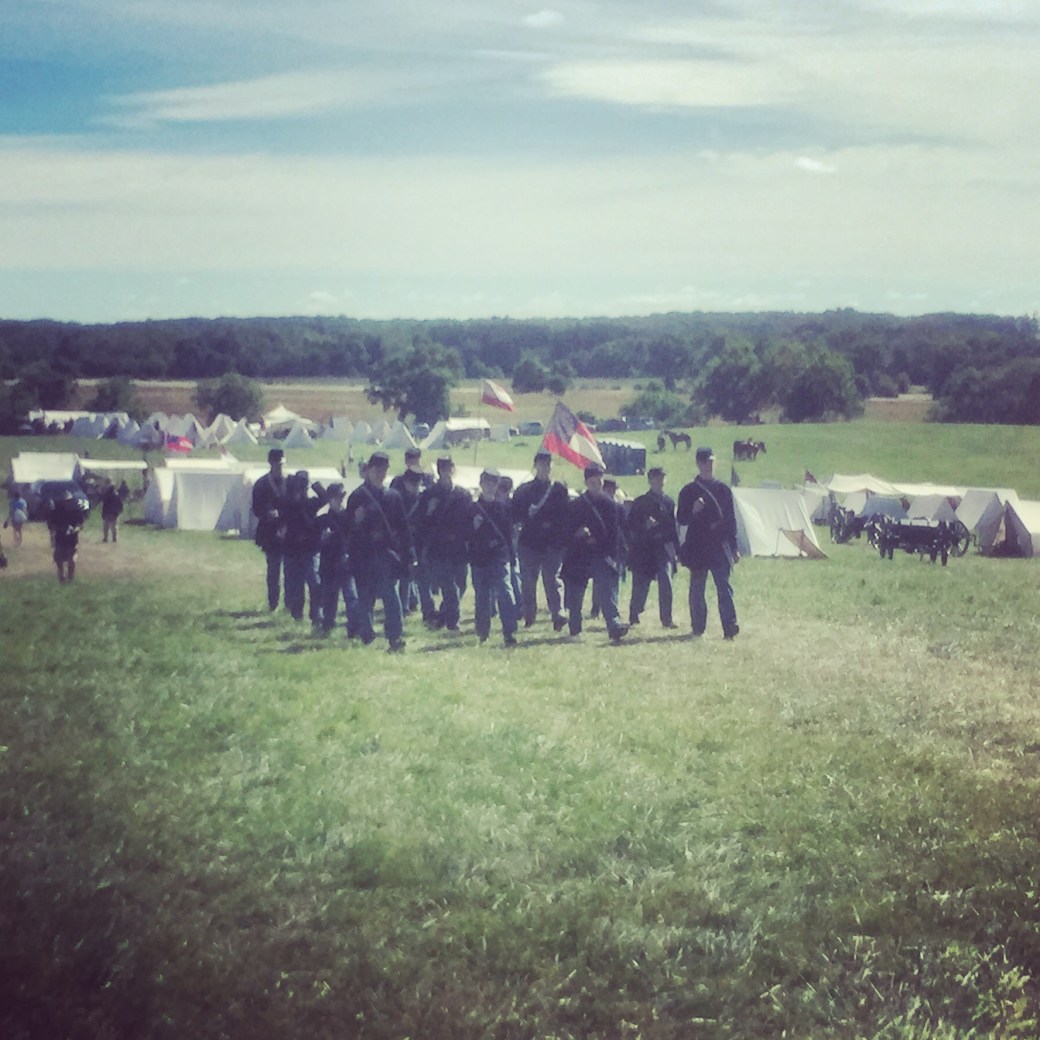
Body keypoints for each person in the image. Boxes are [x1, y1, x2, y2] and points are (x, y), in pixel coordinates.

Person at [344, 451, 413, 652]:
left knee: (391, 596)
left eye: (383, 470)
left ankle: (395, 637)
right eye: (377, 469)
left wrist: (409, 554)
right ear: (369, 470)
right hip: (363, 554)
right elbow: (347, 530)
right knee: (365, 597)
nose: (380, 474)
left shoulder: (393, 496)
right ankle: (367, 634)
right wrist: (356, 521)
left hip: (385, 554)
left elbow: (403, 528)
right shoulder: (357, 496)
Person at [560, 463, 629, 643]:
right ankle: (575, 627)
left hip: (601, 554)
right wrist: (578, 535)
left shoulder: (610, 505)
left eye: (599, 481)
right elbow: (566, 532)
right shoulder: (575, 505)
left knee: (607, 592)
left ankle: (614, 625)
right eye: (592, 481)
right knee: (576, 594)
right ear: (586, 482)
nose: (596, 484)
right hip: (579, 555)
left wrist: (610, 555)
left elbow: (613, 533)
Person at [677, 446, 740, 639]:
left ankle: (730, 626)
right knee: (697, 589)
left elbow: (730, 520)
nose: (708, 465)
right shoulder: (688, 491)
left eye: (711, 461)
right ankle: (698, 627)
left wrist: (734, 547)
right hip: (697, 545)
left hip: (719, 544)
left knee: (724, 586)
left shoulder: (723, 490)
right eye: (705, 462)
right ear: (698, 464)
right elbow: (681, 519)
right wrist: (693, 510)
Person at [511, 449, 569, 631]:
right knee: (528, 582)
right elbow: (515, 516)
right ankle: (529, 615)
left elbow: (565, 516)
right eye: (542, 464)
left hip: (552, 543)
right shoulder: (524, 491)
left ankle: (558, 613)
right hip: (530, 543)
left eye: (548, 464)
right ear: (535, 466)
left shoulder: (559, 490)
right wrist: (526, 515)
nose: (546, 467)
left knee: (553, 580)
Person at [417, 456, 472, 632]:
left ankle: (441, 616)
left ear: (453, 470)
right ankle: (453, 622)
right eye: (442, 469)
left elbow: (469, 520)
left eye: (448, 468)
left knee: (461, 584)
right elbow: (420, 522)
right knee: (449, 587)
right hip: (439, 548)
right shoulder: (429, 495)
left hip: (459, 547)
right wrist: (429, 511)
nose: (446, 472)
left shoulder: (463, 494)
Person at [468, 468, 518, 646]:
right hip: (479, 557)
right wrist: (473, 527)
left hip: (499, 556)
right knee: (482, 597)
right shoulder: (472, 508)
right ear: (481, 483)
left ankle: (510, 632)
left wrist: (511, 557)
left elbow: (509, 535)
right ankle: (482, 633)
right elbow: (465, 534)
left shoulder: (504, 508)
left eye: (493, 483)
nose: (490, 486)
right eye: (487, 482)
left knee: (505, 593)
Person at [627, 467, 679, 629]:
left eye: (662, 478)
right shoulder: (641, 501)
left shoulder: (669, 502)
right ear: (650, 481)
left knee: (666, 581)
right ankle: (634, 613)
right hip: (644, 548)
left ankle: (667, 619)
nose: (659, 482)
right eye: (656, 478)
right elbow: (631, 525)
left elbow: (673, 527)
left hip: (663, 547)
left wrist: (676, 550)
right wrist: (645, 525)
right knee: (641, 584)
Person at [315, 482, 361, 637]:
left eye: (341, 496)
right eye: (336, 497)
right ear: (329, 499)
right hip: (329, 562)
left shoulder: (349, 517)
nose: (339, 500)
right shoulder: (323, 519)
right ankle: (328, 625)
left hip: (346, 561)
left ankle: (353, 629)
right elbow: (315, 542)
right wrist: (322, 538)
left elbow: (355, 537)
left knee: (351, 596)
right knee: (330, 597)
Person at [280, 470, 322, 624]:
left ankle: (316, 614)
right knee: (296, 584)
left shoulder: (310, 504)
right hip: (293, 548)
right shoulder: (288, 504)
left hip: (309, 547)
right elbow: (277, 504)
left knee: (315, 583)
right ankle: (297, 614)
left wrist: (314, 485)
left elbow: (325, 497)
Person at [251, 448, 288, 611]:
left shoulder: (290, 482)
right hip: (270, 531)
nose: (280, 467)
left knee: (290, 570)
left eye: (282, 464)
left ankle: (290, 603)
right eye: (277, 464)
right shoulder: (261, 484)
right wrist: (267, 513)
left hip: (289, 530)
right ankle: (273, 602)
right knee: (273, 569)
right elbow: (256, 508)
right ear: (271, 464)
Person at [48, 488, 88, 583]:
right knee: (59, 559)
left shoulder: (76, 511)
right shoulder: (56, 511)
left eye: (68, 501)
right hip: (60, 537)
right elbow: (52, 525)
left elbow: (81, 524)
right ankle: (61, 576)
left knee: (71, 558)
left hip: (72, 538)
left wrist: (75, 529)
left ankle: (70, 576)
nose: (67, 503)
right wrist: (59, 529)